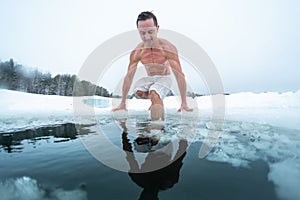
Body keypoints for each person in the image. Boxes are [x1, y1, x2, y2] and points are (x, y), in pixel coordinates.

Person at [112, 11, 193, 120]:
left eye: (150, 32)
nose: (147, 37)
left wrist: (184, 102)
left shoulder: (167, 48)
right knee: (138, 91)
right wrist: (123, 102)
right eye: (142, 33)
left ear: (157, 28)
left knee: (154, 92)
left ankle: (157, 131)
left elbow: (179, 75)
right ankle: (156, 102)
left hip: (165, 78)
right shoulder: (137, 52)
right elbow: (129, 77)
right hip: (151, 79)